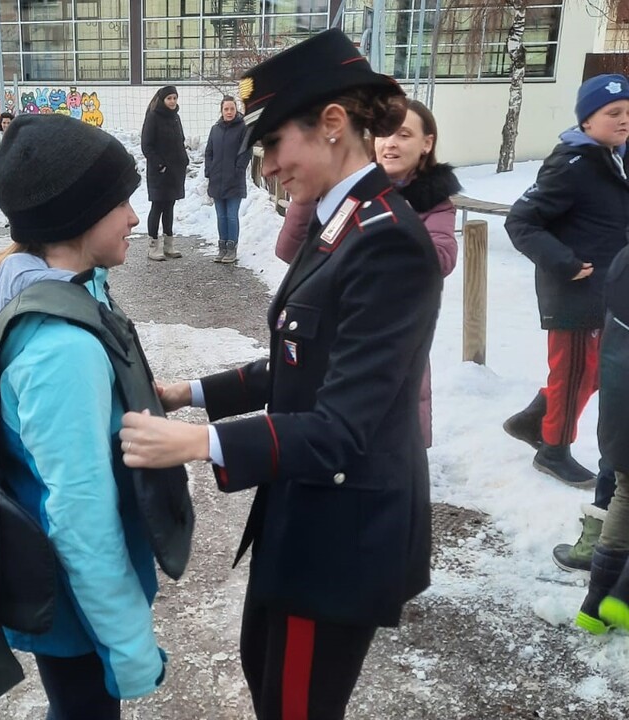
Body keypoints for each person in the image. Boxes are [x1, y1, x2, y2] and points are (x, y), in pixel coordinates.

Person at [121, 30, 441, 720]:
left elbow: (341, 427)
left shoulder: (386, 241)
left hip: (341, 531)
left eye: (274, 145)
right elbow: (302, 360)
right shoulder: (341, 221)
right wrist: (188, 394)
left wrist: (195, 444)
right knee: (269, 681)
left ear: (331, 125)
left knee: (294, 706)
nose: (267, 165)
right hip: (306, 514)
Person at [0, 114, 193, 720]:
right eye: (120, 202)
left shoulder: (70, 292)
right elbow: (79, 511)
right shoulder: (62, 345)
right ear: (77, 216)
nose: (135, 217)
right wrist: (129, 642)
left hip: (70, 595)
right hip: (78, 599)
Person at [503, 74, 629, 490]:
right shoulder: (571, 164)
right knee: (575, 372)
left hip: (607, 289)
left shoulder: (616, 158)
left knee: (593, 373)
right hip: (574, 287)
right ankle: (553, 450)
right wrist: (566, 263)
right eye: (614, 113)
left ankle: (535, 418)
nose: (624, 120)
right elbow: (521, 221)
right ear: (587, 121)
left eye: (628, 112)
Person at [374, 99, 461, 447]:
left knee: (397, 443)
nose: (390, 142)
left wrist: (397, 218)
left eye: (403, 134)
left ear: (427, 143)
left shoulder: (434, 199)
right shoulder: (346, 189)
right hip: (341, 330)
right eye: (383, 133)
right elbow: (289, 250)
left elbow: (441, 259)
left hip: (399, 335)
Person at [575, 242, 629, 634]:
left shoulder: (623, 260)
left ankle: (595, 604)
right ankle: (622, 598)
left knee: (626, 493)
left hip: (620, 400)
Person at [140, 85, 189, 261]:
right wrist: (160, 164)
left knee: (170, 206)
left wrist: (184, 159)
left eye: (175, 98)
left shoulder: (176, 117)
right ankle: (153, 246)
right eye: (169, 98)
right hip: (159, 172)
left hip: (175, 171)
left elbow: (180, 141)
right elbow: (146, 145)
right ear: (162, 100)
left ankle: (169, 244)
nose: (172, 101)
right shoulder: (153, 117)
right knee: (157, 207)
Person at [205, 96, 251, 264]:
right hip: (217, 179)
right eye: (226, 109)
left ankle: (232, 248)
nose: (229, 112)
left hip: (234, 180)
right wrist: (208, 170)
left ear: (236, 109)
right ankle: (222, 246)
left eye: (232, 108)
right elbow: (209, 151)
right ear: (222, 110)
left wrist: (238, 170)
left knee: (231, 215)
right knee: (221, 216)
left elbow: (246, 152)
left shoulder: (243, 129)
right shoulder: (215, 129)